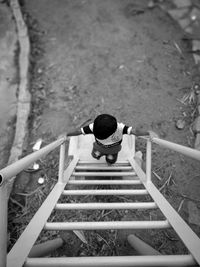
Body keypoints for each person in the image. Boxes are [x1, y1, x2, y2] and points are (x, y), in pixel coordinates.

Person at [67, 114, 157, 165]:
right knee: (95, 155)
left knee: (111, 160)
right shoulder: (93, 127)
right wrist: (66, 134)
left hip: (113, 151)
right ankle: (97, 156)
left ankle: (109, 162)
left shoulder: (120, 128)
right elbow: (79, 131)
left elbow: (135, 131)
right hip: (98, 148)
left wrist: (148, 132)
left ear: (114, 131)